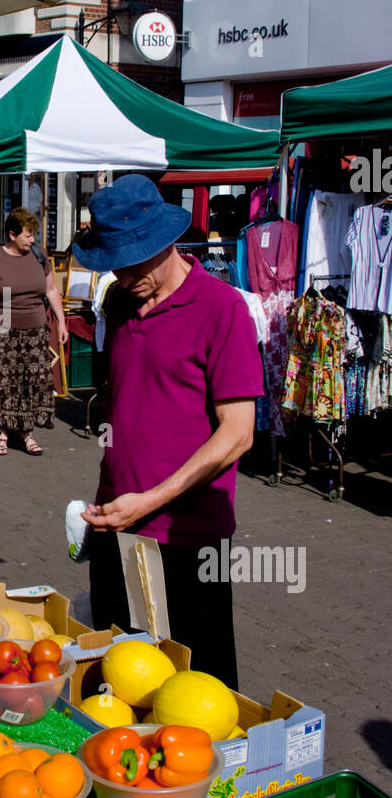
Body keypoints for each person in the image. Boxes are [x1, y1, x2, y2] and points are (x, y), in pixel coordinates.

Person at [73, 175, 264, 689]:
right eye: (114, 259)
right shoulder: (118, 300)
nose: (122, 271)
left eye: (133, 258)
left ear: (166, 243)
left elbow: (238, 434)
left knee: (200, 683)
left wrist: (152, 498)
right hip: (119, 522)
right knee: (120, 677)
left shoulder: (223, 309)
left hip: (189, 538)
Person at [0, 206, 67, 456]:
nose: (32, 240)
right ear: (12, 234)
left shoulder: (38, 255)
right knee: (6, 383)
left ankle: (26, 433)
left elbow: (50, 290)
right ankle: (2, 434)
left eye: (33, 235)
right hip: (5, 330)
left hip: (36, 329)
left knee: (32, 381)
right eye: (28, 235)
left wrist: (61, 321)